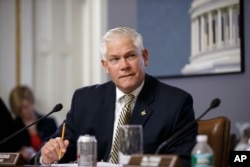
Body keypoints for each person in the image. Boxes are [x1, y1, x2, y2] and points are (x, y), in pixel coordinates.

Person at [33, 27, 197, 166]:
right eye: (115, 59)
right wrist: (47, 157)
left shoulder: (175, 103)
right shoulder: (85, 100)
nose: (124, 66)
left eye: (130, 56)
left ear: (144, 57)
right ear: (105, 65)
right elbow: (58, 147)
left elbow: (183, 161)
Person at [6, 85, 58, 162]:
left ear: (31, 102)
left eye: (26, 106)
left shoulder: (49, 122)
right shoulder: (13, 127)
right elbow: (8, 156)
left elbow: (57, 148)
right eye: (20, 109)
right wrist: (18, 155)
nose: (24, 111)